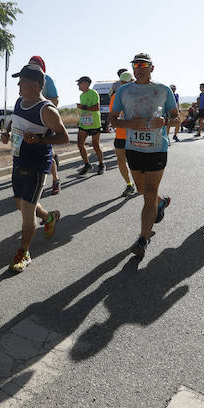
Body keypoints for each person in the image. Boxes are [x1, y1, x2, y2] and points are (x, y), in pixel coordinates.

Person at [109, 53, 179, 257]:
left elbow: (176, 118)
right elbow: (113, 120)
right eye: (136, 65)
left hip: (157, 148)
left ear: (152, 68)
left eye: (143, 65)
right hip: (133, 147)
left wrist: (165, 121)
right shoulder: (123, 91)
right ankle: (161, 202)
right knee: (141, 189)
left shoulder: (163, 90)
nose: (139, 68)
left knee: (148, 193)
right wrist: (128, 123)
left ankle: (142, 239)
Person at [1, 63, 69, 273]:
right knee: (20, 204)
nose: (18, 85)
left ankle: (24, 252)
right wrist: (6, 133)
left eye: (21, 82)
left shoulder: (47, 110)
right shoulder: (20, 102)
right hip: (18, 160)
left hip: (37, 165)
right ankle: (49, 217)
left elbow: (64, 137)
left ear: (35, 85)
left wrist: (39, 139)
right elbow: (15, 122)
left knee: (27, 212)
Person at [29, 56, 62, 194]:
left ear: (42, 66)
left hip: (46, 121)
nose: (33, 66)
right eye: (30, 64)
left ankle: (55, 180)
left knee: (46, 153)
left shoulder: (47, 79)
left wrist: (42, 109)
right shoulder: (27, 79)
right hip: (30, 121)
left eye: (36, 64)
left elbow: (55, 100)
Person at [110, 71, 136, 196]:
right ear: (120, 83)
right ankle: (129, 184)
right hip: (120, 135)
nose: (125, 85)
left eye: (128, 82)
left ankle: (140, 181)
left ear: (132, 82)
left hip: (135, 135)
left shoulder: (138, 95)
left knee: (136, 162)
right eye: (123, 82)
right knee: (121, 161)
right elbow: (113, 117)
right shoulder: (115, 97)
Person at [76, 76, 104, 174]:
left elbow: (96, 107)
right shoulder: (81, 95)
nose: (78, 85)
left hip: (94, 123)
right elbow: (85, 110)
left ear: (86, 83)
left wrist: (83, 106)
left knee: (96, 146)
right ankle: (87, 164)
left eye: (79, 83)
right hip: (84, 124)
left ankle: (101, 164)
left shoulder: (93, 93)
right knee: (80, 144)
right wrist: (80, 119)